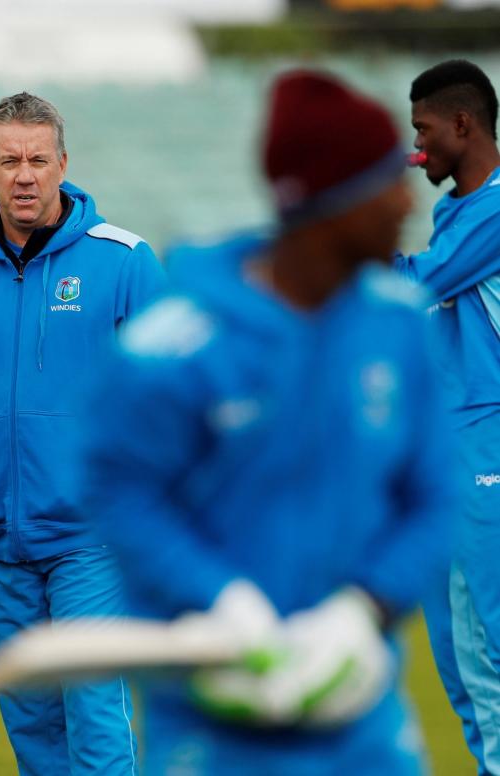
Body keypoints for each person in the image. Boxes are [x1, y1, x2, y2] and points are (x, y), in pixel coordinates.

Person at [83, 70, 452, 775]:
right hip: (211, 728)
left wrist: (362, 611)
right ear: (330, 201)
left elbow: (432, 496)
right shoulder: (173, 343)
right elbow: (120, 496)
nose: (406, 202)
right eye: (384, 183)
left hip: (362, 725)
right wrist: (219, 599)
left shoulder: (398, 326)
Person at [0, 91, 164, 775]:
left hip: (92, 540)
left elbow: (170, 392)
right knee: (31, 726)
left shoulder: (125, 262)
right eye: (10, 160)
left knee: (94, 713)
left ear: (62, 165)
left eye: (38, 160)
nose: (25, 175)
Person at [397, 59, 500, 776]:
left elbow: (413, 285)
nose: (417, 148)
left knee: (488, 656)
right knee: (459, 672)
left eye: (423, 131)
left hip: (487, 447)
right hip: (444, 455)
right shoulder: (452, 215)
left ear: (462, 124)